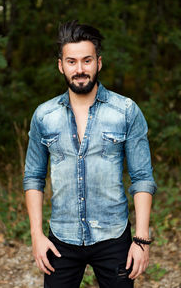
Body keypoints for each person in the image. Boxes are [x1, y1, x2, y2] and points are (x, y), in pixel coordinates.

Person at [23, 20, 157, 288]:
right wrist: (37, 236)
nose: (80, 69)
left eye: (87, 60)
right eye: (71, 62)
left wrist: (141, 240)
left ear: (99, 62)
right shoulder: (44, 116)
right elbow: (33, 178)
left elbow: (142, 178)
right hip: (61, 238)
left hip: (114, 236)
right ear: (61, 65)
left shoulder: (126, 111)